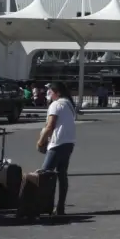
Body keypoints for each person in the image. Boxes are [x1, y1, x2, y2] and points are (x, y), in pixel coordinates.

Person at [36, 82, 77, 216]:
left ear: (57, 92)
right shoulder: (69, 104)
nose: (49, 93)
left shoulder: (56, 104)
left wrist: (40, 141)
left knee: (44, 175)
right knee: (62, 175)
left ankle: (40, 206)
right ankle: (60, 207)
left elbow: (50, 126)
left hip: (58, 143)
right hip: (69, 142)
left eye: (50, 91)